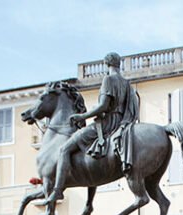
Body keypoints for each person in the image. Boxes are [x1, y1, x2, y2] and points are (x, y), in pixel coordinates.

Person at [40, 52, 140, 206]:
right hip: (121, 123)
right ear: (118, 64)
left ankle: (58, 189)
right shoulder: (127, 83)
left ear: (106, 64)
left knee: (64, 149)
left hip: (107, 124)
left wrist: (82, 116)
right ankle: (88, 203)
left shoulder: (108, 79)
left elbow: (103, 106)